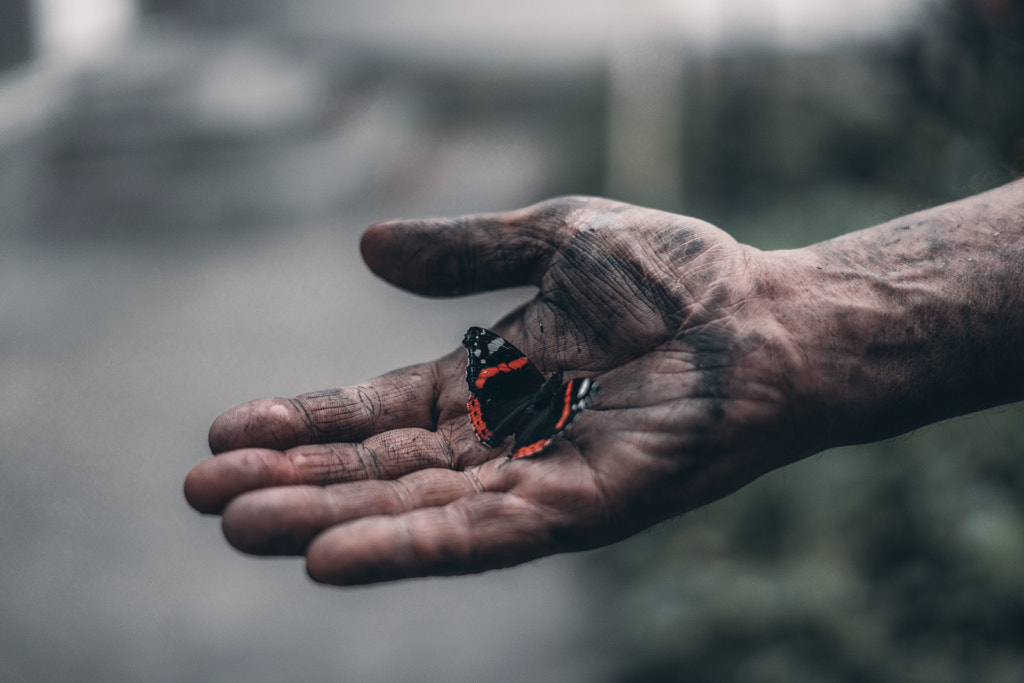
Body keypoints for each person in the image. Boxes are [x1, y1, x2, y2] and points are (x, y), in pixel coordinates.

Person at [183, 179, 1024, 585]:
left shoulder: (522, 383)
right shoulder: (554, 390)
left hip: (532, 416)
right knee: (529, 413)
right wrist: (780, 312)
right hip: (547, 418)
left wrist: (777, 318)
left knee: (520, 410)